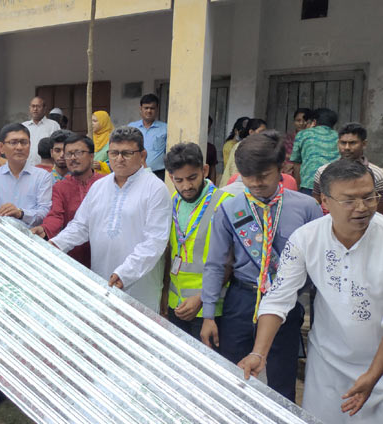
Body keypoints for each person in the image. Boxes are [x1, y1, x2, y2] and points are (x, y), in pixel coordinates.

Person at [238, 159, 383, 423]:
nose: (362, 208)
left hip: (379, 366)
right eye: (350, 200)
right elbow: (279, 298)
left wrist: (374, 375)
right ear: (324, 202)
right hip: (327, 366)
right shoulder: (306, 238)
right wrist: (259, 353)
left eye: (369, 197)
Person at [200, 131, 322, 402]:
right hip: (241, 301)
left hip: (287, 303)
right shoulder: (229, 209)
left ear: (282, 169)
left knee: (280, 380)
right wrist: (209, 314)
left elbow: (318, 269)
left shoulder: (306, 208)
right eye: (247, 176)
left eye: (263, 175)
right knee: (233, 377)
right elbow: (215, 264)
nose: (254, 183)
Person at [51, 126, 171, 310]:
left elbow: (155, 241)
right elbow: (81, 226)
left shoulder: (155, 189)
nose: (119, 159)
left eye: (127, 153)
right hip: (102, 279)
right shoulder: (99, 186)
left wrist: (125, 273)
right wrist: (55, 245)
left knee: (138, 334)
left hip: (139, 284)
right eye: (114, 153)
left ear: (142, 155)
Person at [161, 142, 233, 340]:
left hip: (211, 309)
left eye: (192, 178)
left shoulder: (225, 203)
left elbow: (230, 262)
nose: (186, 186)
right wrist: (166, 293)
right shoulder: (174, 201)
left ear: (205, 170)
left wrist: (202, 299)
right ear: (170, 177)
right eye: (179, 180)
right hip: (178, 305)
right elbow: (171, 251)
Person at [31, 132, 104, 268]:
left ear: (92, 155)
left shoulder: (105, 183)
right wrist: (45, 229)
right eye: (69, 154)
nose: (73, 158)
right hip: (74, 252)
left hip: (104, 251)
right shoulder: (60, 187)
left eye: (78, 153)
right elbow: (55, 215)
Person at [0, 123, 52, 228]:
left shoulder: (42, 176)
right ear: (1, 147)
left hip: (32, 237)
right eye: (13, 142)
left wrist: (21, 213)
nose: (19, 147)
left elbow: (45, 211)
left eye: (24, 142)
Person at [312, 122, 383, 214]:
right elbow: (316, 202)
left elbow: (379, 210)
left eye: (352, 143)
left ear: (364, 144)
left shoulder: (378, 175)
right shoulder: (322, 171)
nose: (347, 147)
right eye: (343, 143)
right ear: (338, 143)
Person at [290, 107, 340, 195]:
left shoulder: (303, 134)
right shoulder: (339, 137)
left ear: (314, 122)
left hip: (309, 185)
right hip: (334, 186)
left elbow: (297, 164)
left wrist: (298, 188)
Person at [128, 94, 167, 180]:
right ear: (141, 109)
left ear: (157, 109)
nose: (149, 111)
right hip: (135, 172)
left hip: (158, 173)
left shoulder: (165, 128)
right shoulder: (131, 128)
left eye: (152, 108)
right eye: (146, 108)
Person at [219, 118, 267, 187]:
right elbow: (234, 171)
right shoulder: (241, 146)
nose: (264, 135)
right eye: (261, 132)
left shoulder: (260, 148)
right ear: (251, 132)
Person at [22, 96, 61, 166]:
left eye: (38, 106)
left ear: (44, 109)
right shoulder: (24, 126)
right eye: (33, 106)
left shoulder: (53, 125)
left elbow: (58, 146)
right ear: (29, 108)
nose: (35, 109)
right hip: (26, 167)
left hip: (47, 168)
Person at [282, 108, 311, 177]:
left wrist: (294, 164)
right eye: (298, 120)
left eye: (304, 121)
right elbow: (282, 155)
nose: (301, 123)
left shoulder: (312, 139)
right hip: (287, 171)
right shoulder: (287, 139)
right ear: (294, 121)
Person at [91, 110, 113, 174]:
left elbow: (116, 162)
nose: (92, 123)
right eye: (91, 120)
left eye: (95, 121)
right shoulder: (89, 137)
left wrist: (101, 166)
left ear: (103, 122)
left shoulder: (113, 139)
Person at [206, 116, 218, 183]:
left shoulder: (211, 148)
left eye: (209, 126)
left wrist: (213, 187)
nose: (207, 129)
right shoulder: (188, 147)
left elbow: (213, 169)